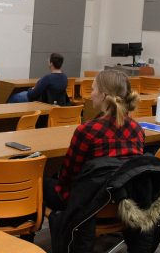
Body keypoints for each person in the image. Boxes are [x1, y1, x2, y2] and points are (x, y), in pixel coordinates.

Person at [44, 70, 144, 210]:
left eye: (92, 90)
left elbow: (67, 178)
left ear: (103, 96)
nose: (90, 95)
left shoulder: (87, 131)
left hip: (87, 204)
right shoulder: (137, 129)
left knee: (42, 182)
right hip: (121, 203)